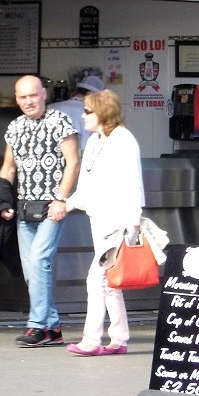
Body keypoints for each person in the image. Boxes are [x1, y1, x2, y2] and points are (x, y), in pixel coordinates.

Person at [0, 75, 79, 348]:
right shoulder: (15, 127)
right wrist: (3, 201)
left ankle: (36, 327)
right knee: (31, 271)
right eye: (22, 97)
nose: (28, 101)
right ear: (16, 99)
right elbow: (9, 168)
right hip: (23, 207)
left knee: (39, 261)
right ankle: (53, 327)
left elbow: (73, 162)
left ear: (44, 94)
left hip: (51, 207)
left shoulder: (60, 122)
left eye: (32, 95)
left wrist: (61, 199)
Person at [65, 89, 142, 356]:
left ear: (103, 112)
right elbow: (87, 185)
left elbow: (133, 182)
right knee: (109, 283)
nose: (83, 115)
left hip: (117, 220)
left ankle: (91, 339)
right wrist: (67, 203)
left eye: (88, 111)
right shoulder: (97, 140)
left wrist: (133, 222)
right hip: (100, 219)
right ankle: (119, 339)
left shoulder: (123, 141)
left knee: (96, 279)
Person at [48, 74, 105, 153]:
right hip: (82, 158)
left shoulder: (51, 107)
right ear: (91, 94)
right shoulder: (93, 113)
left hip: (50, 158)